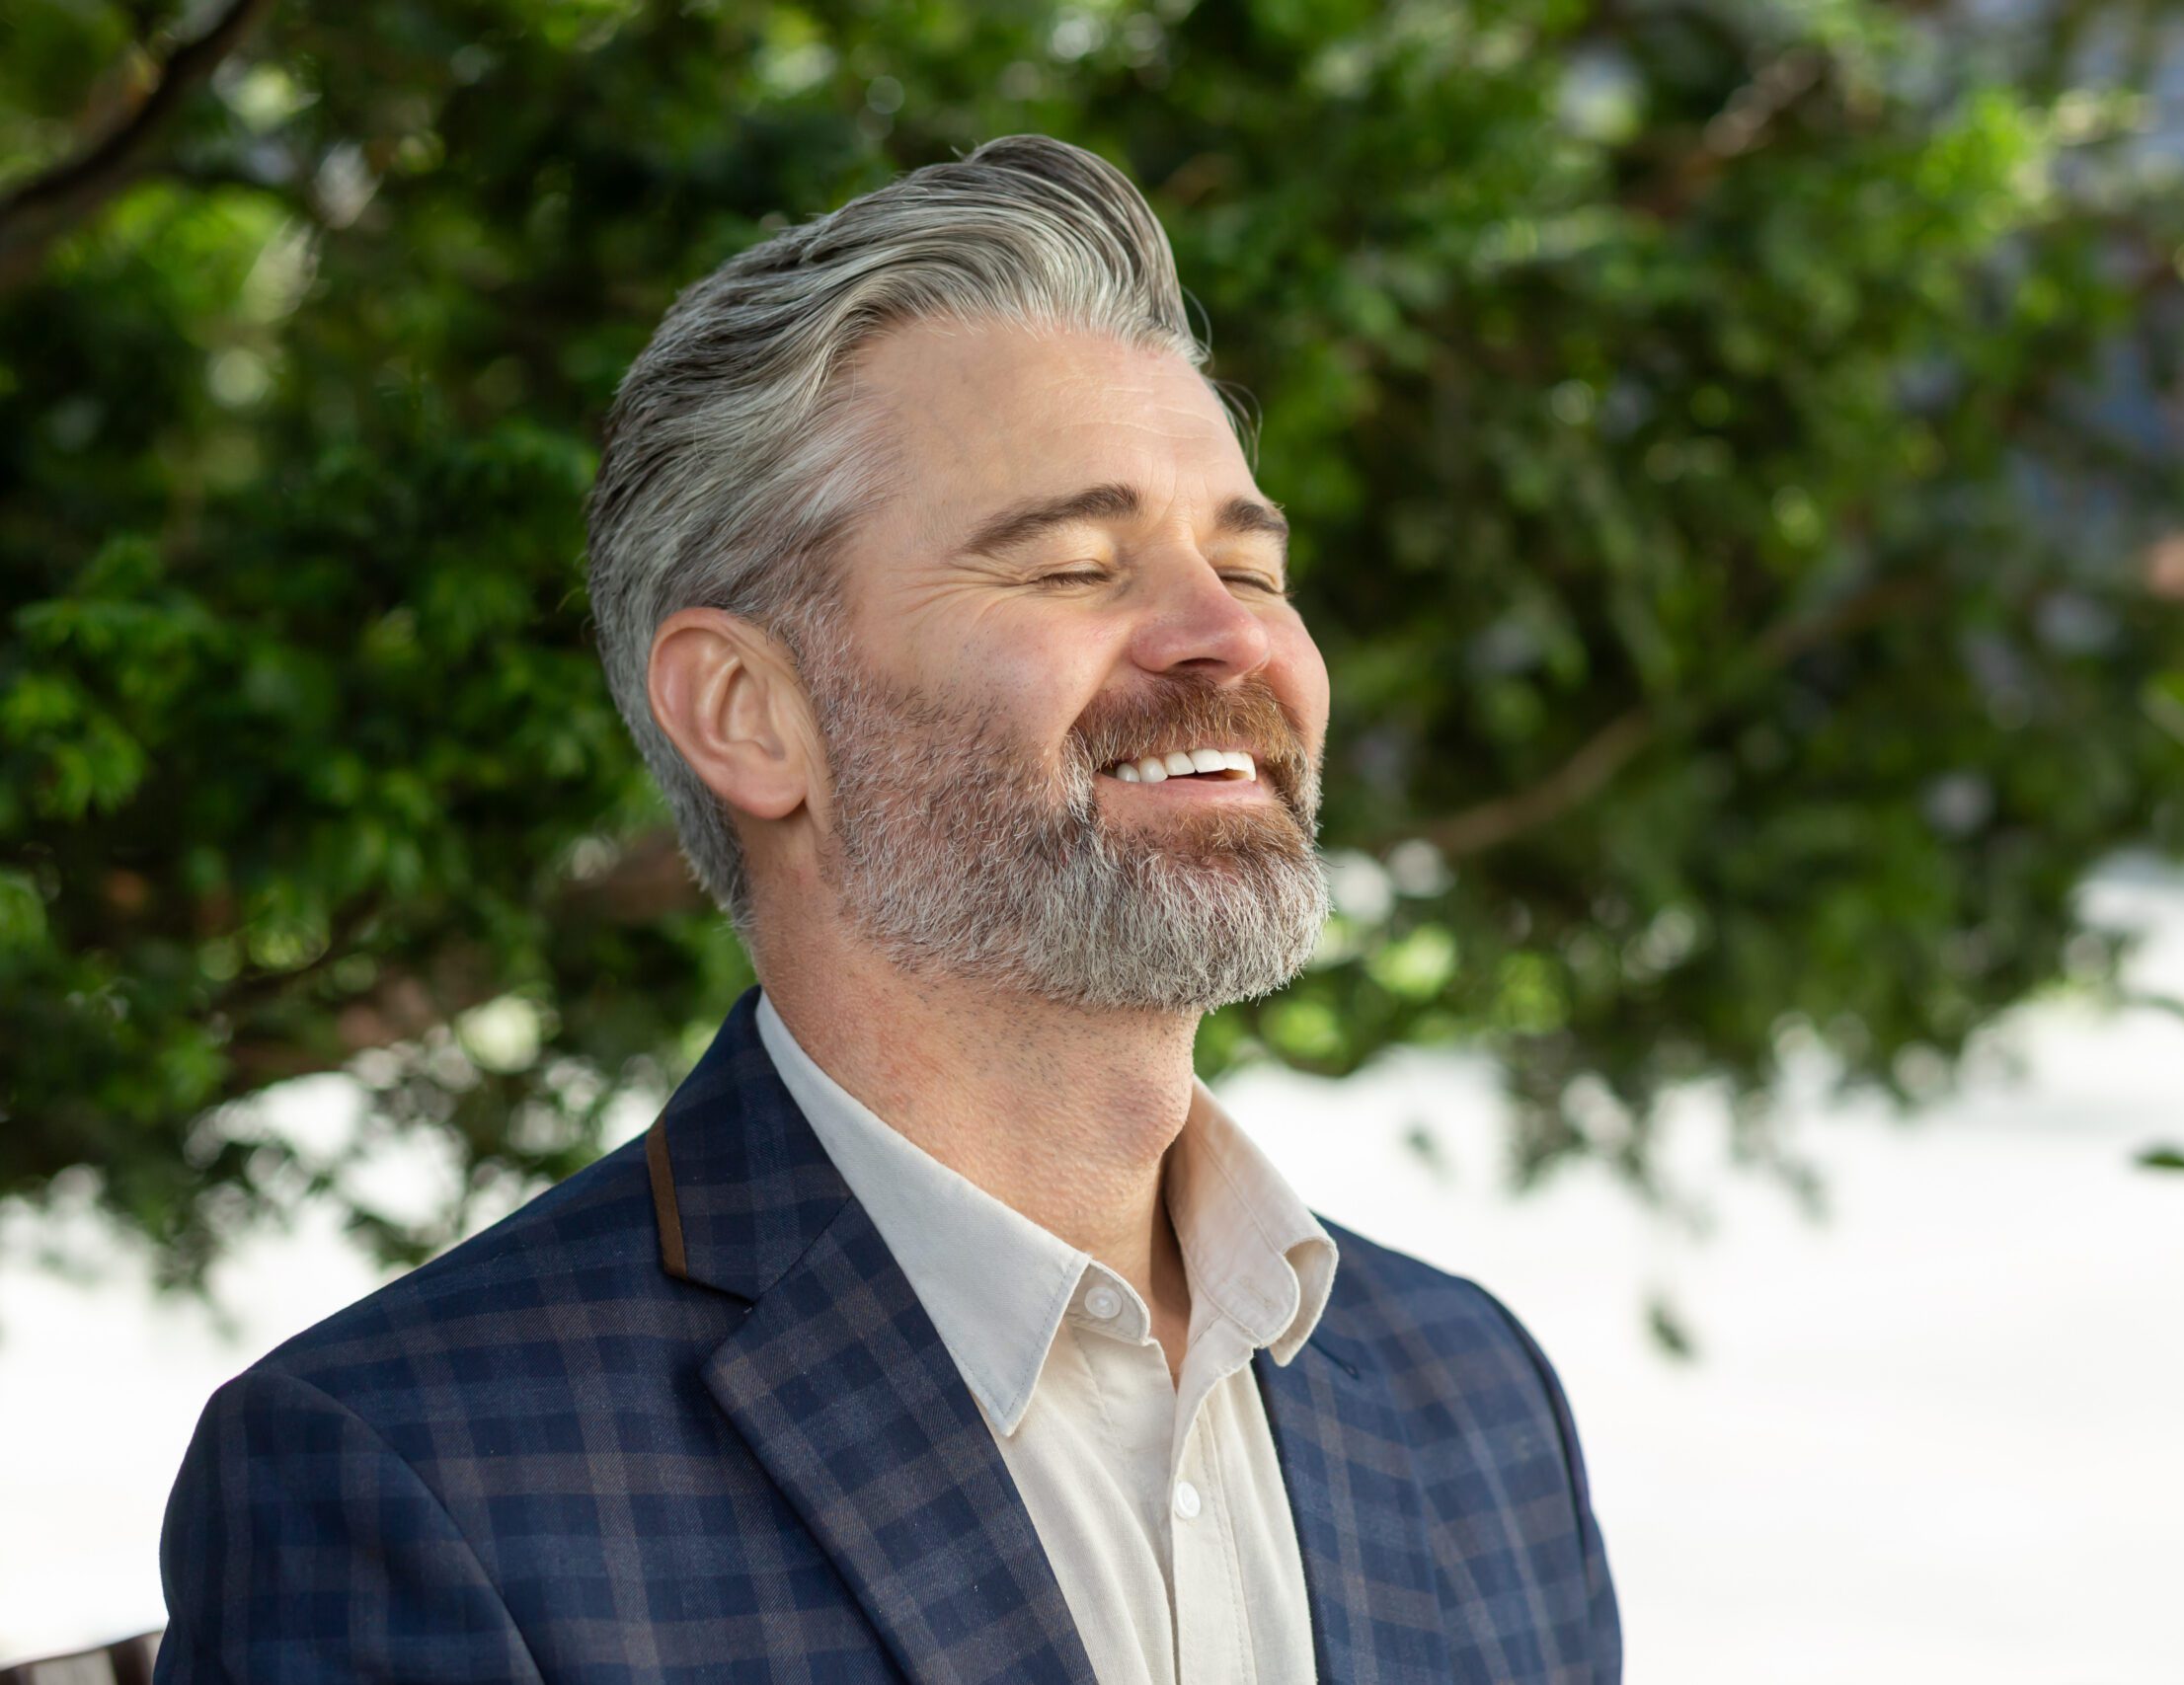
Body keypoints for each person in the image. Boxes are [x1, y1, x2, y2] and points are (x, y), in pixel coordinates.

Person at [154, 133, 1620, 1684]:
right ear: (747, 716)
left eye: (1253, 573)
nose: (1222, 639)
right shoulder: (405, 1475)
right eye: (1073, 565)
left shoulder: (1474, 1399)